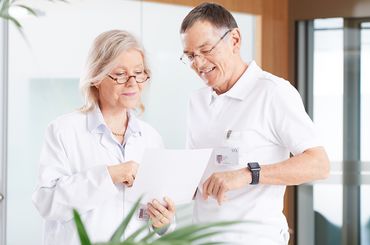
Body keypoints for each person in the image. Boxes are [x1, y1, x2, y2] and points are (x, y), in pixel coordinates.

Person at [180, 2, 330, 244]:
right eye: (190, 56)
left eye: (206, 50)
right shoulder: (196, 101)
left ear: (235, 40)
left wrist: (249, 174)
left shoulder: (272, 92)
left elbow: (319, 164)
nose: (198, 64)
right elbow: (195, 176)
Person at [32, 30, 175, 245]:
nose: (132, 83)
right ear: (96, 77)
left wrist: (163, 223)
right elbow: (47, 204)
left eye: (139, 72)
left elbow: (156, 211)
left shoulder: (151, 138)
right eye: (120, 74)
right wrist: (108, 176)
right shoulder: (64, 130)